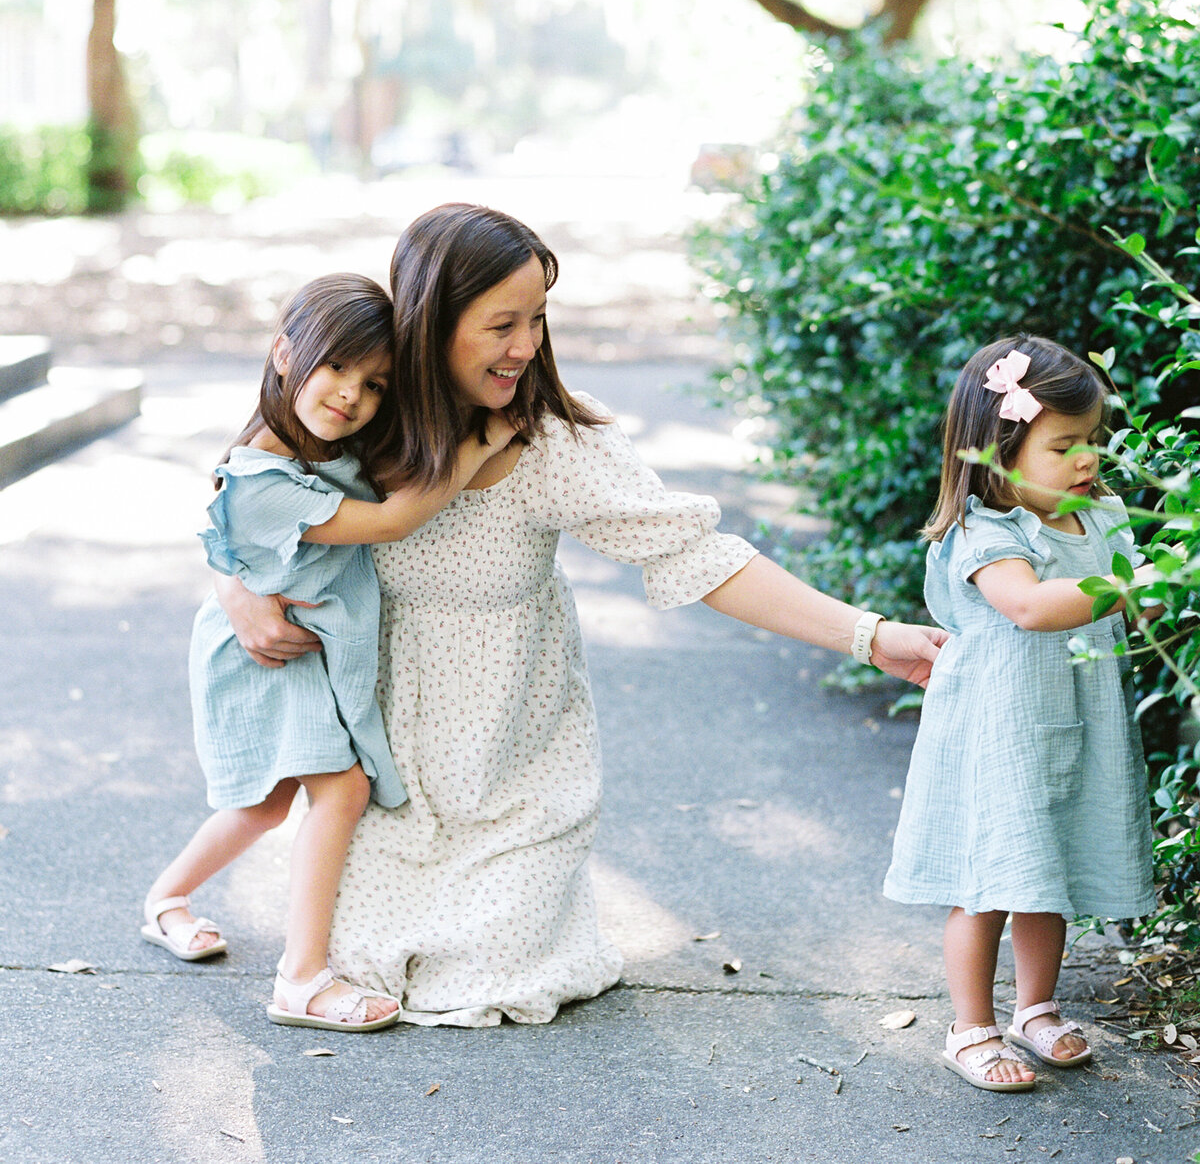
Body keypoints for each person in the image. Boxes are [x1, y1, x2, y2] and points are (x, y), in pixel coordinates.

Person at [217, 205, 947, 1027]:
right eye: (501, 324)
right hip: (383, 772)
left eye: (536, 319)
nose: (525, 347)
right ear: (430, 324)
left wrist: (869, 635)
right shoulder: (362, 407)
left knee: (491, 979)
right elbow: (242, 489)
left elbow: (695, 553)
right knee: (371, 965)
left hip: (513, 771)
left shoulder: (550, 438)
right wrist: (235, 590)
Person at [143, 273, 513, 1031]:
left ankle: (164, 899)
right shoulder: (263, 475)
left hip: (294, 640)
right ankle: (301, 978)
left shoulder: (320, 444)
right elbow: (386, 523)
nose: (351, 394)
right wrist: (480, 446)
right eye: (335, 367)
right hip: (263, 653)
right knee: (335, 790)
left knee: (266, 804)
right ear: (285, 353)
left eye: (374, 383)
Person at [884, 338, 1156, 1090]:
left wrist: (1156, 584)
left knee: (1048, 872)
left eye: (1092, 442)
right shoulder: (985, 531)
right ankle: (971, 1026)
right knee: (988, 880)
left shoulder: (1099, 518)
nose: (1086, 460)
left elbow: (1135, 608)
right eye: (1064, 445)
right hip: (997, 735)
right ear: (1001, 451)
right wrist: (1137, 580)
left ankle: (1036, 1008)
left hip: (1076, 728)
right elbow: (1031, 607)